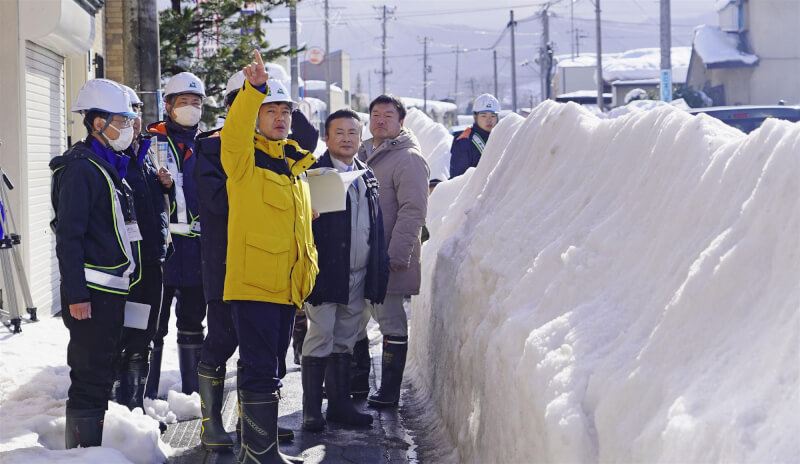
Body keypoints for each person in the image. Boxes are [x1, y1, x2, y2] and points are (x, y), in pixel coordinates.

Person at [194, 70, 318, 451]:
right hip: (238, 272)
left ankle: (257, 438)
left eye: (286, 110)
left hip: (281, 284)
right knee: (228, 346)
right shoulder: (237, 153)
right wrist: (255, 90)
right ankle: (219, 427)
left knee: (268, 364)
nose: (281, 117)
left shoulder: (291, 164)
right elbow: (232, 151)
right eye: (270, 109)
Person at [50, 78, 139, 448]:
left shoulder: (108, 166)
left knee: (101, 374)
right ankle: (82, 454)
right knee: (89, 378)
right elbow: (69, 237)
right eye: (122, 119)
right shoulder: (81, 169)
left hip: (110, 290)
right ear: (98, 122)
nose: (129, 127)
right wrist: (76, 295)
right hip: (91, 294)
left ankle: (92, 451)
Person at [301, 109, 389, 432]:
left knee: (345, 340)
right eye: (339, 132)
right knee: (320, 335)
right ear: (326, 137)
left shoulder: (366, 174)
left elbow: (375, 226)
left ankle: (339, 405)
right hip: (325, 272)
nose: (347, 138)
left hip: (358, 273)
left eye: (353, 132)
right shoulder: (313, 173)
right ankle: (312, 409)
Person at [357, 95, 429, 408]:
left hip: (386, 258)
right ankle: (357, 386)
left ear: (401, 122)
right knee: (353, 320)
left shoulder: (407, 158)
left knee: (390, 321)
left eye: (388, 115)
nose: (380, 120)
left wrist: (397, 255)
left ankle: (388, 392)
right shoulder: (362, 152)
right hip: (359, 256)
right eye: (375, 114)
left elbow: (413, 210)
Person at [110, 85, 173, 411]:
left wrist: (168, 187)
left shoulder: (146, 152)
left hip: (150, 262)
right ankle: (114, 411)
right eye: (125, 114)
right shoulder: (106, 158)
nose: (133, 121)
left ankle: (133, 409)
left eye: (135, 113)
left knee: (142, 337)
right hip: (121, 268)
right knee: (119, 338)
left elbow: (157, 207)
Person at [145, 71, 207, 398]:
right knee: (154, 326)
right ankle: (147, 395)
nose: (191, 108)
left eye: (196, 102)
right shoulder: (149, 143)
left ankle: (193, 396)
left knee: (193, 323)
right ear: (168, 106)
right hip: (162, 251)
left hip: (198, 253)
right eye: (184, 102)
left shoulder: (210, 144)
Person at [449, 93, 500, 178]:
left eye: (493, 116)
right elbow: (457, 179)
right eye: (484, 116)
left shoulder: (500, 138)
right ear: (474, 116)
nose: (489, 120)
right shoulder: (464, 142)